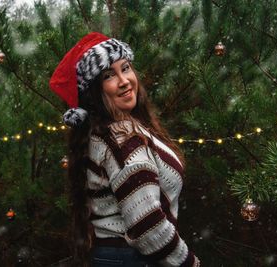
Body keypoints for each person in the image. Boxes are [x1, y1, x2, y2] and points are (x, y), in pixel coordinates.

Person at [49, 32, 200, 267]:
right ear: (94, 91)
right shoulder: (122, 138)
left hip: (114, 257)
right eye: (109, 75)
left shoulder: (105, 132)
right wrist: (189, 262)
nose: (124, 80)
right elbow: (148, 227)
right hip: (131, 259)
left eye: (126, 68)